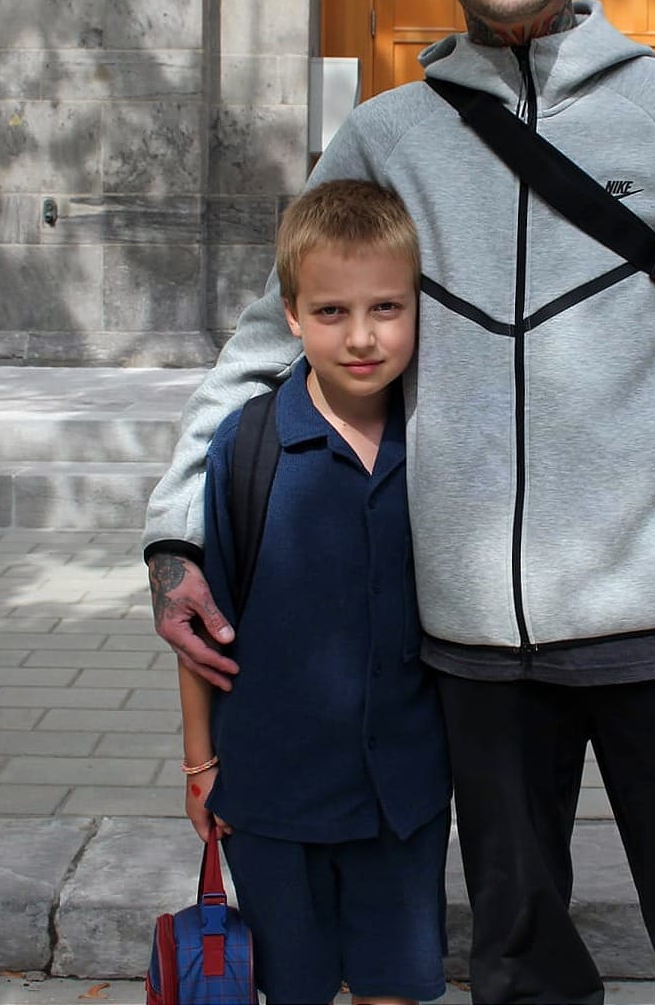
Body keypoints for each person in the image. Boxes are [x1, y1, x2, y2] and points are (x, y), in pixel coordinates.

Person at [145, 0, 655, 1002]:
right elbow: (268, 343)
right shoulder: (385, 136)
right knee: (515, 954)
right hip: (476, 642)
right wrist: (175, 533)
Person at [178, 179, 450, 1005]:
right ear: (291, 315)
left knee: (390, 987)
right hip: (271, 794)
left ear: (417, 308)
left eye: (386, 309)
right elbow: (199, 621)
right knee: (291, 988)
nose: (362, 337)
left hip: (400, 795)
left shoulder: (439, 436)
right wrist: (200, 763)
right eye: (331, 312)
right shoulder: (250, 445)